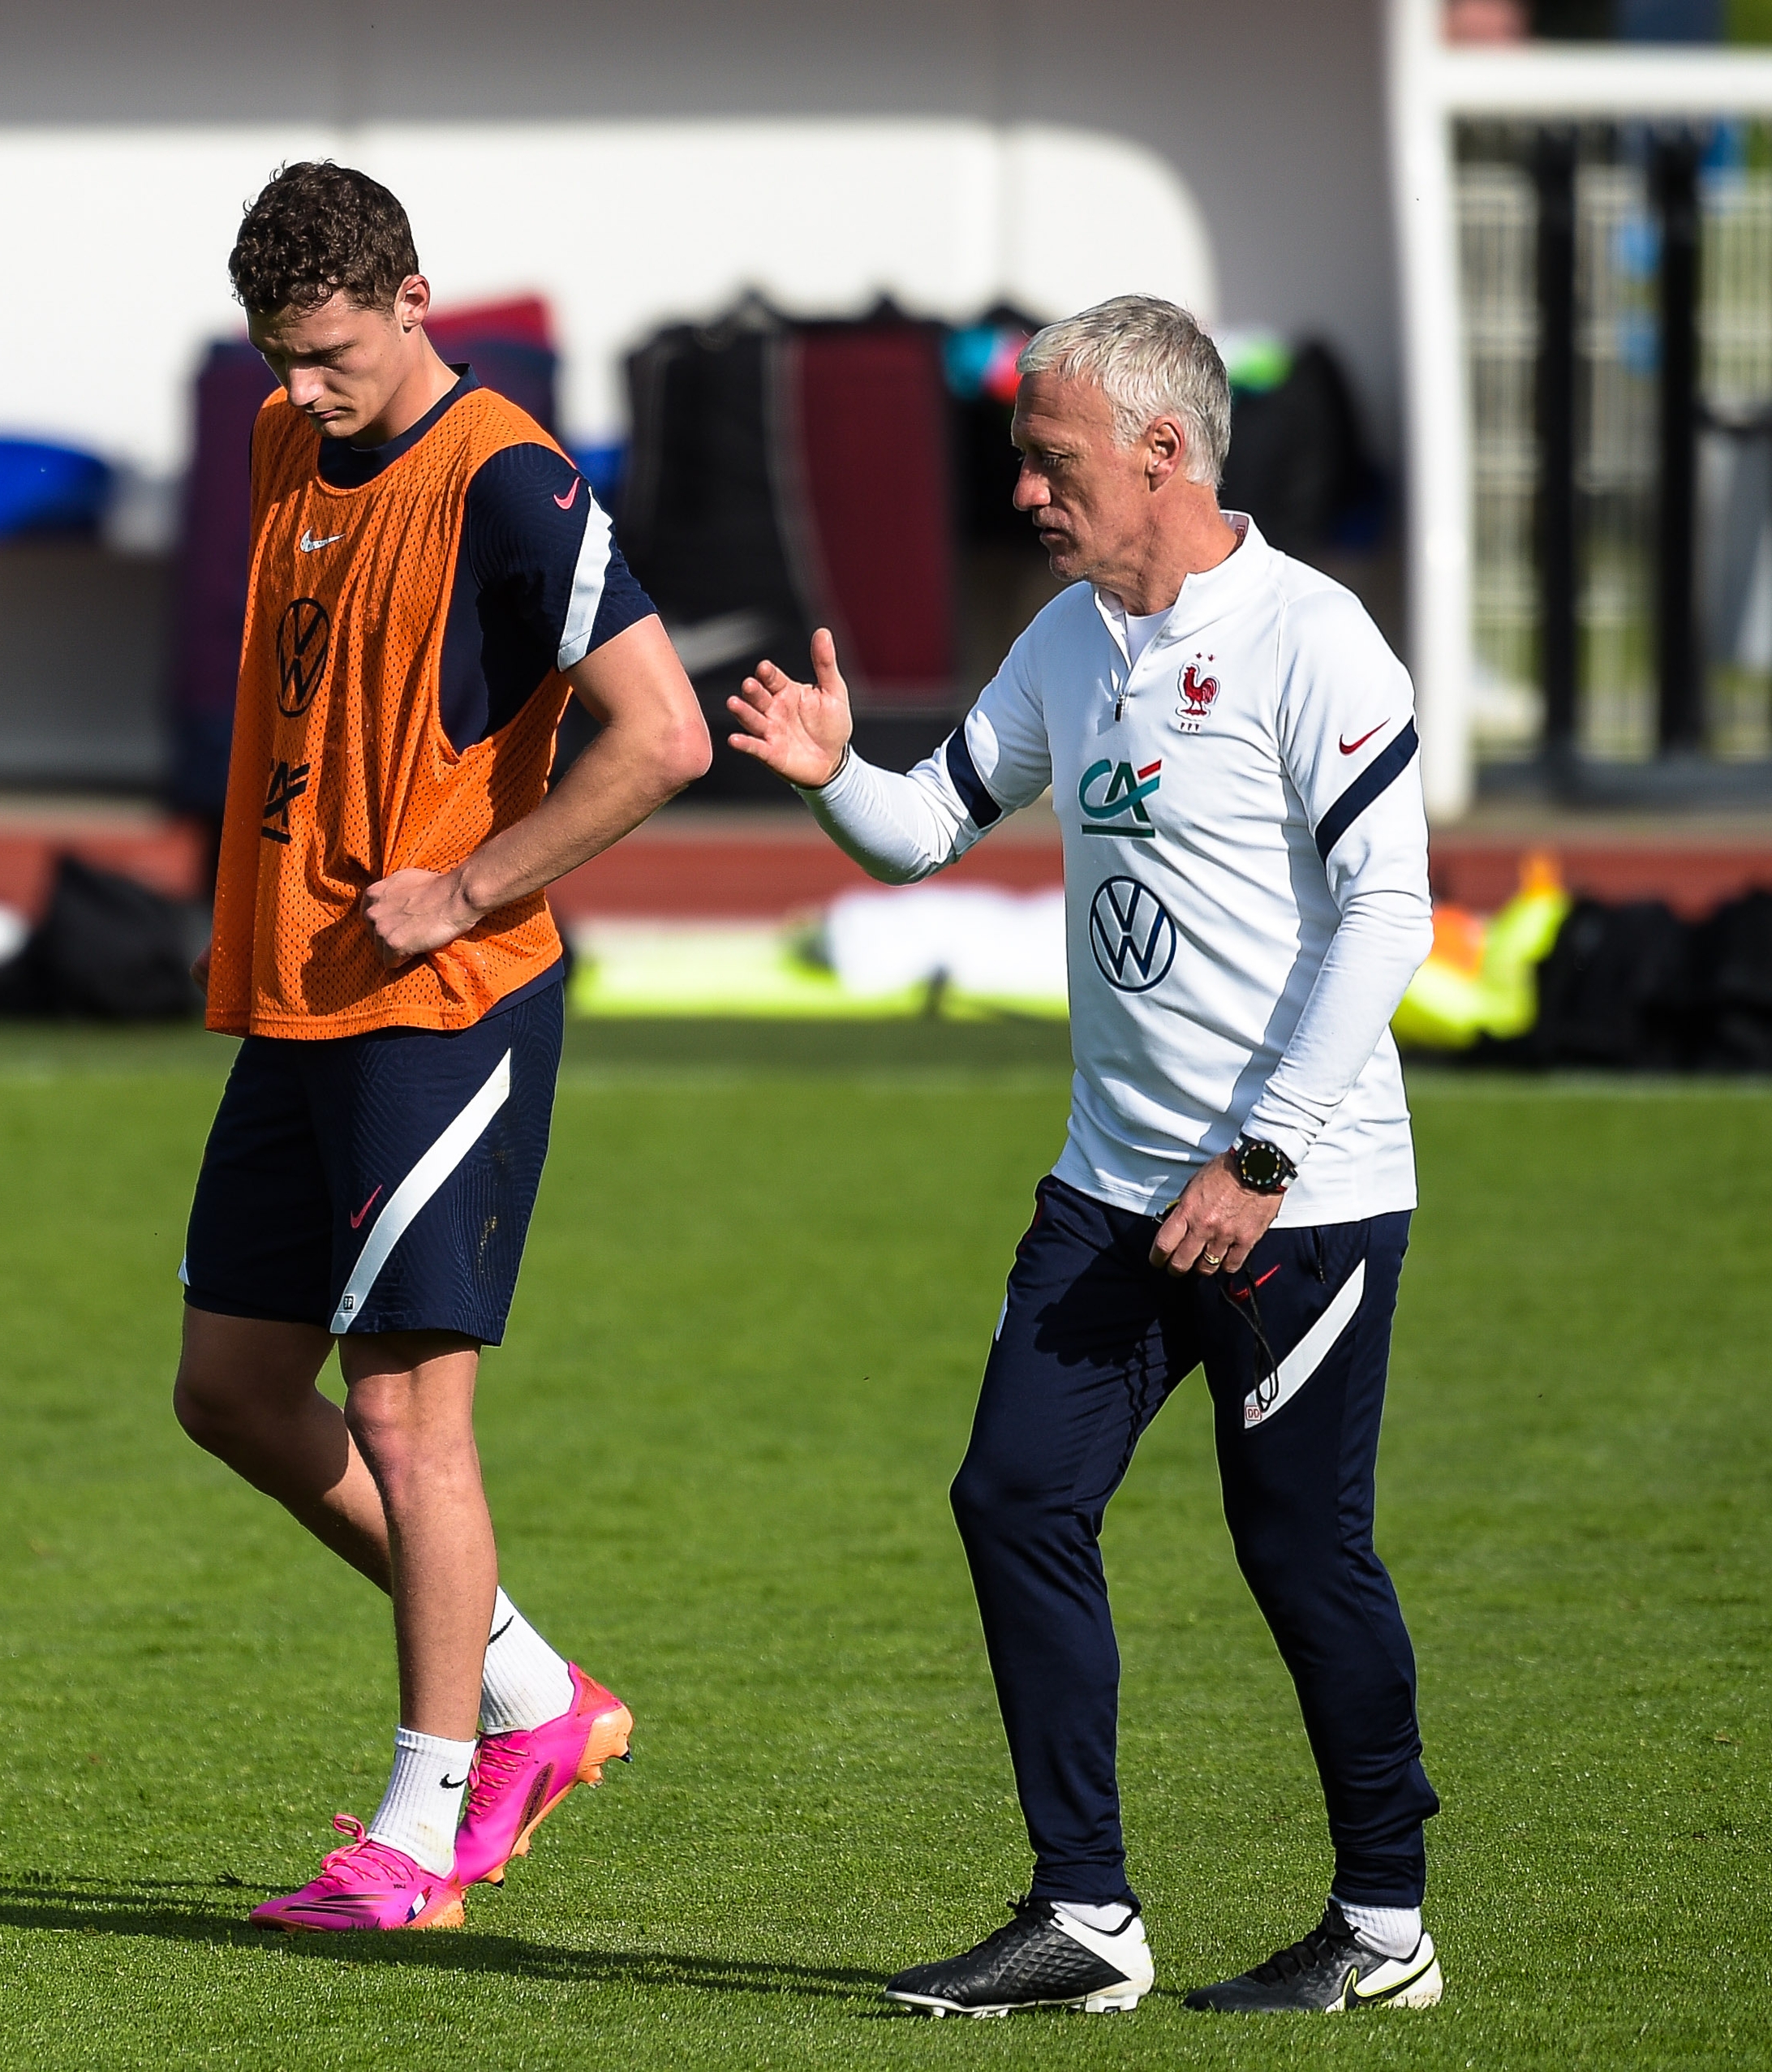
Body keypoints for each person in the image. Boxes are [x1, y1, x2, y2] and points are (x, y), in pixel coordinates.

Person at [725, 295, 1443, 2017]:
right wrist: (838, 776)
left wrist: (1260, 1157)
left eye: (1051, 462)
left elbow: (1393, 911)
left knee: (1300, 1556)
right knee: (1014, 1496)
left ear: (1163, 451)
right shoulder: (1067, 641)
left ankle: (1385, 1925)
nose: (1029, 492)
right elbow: (927, 826)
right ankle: (1086, 1912)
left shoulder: (1313, 638)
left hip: (1299, 1208)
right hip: (1111, 1189)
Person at [172, 162, 709, 1934]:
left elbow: (662, 735)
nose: (301, 387)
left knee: (408, 1414)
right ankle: (539, 1697)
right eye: (276, 354)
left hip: (443, 1004)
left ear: (413, 295)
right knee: (233, 1390)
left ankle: (416, 1836)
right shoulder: (279, 442)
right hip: (298, 993)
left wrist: (466, 885)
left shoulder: (515, 481)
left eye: (326, 351)